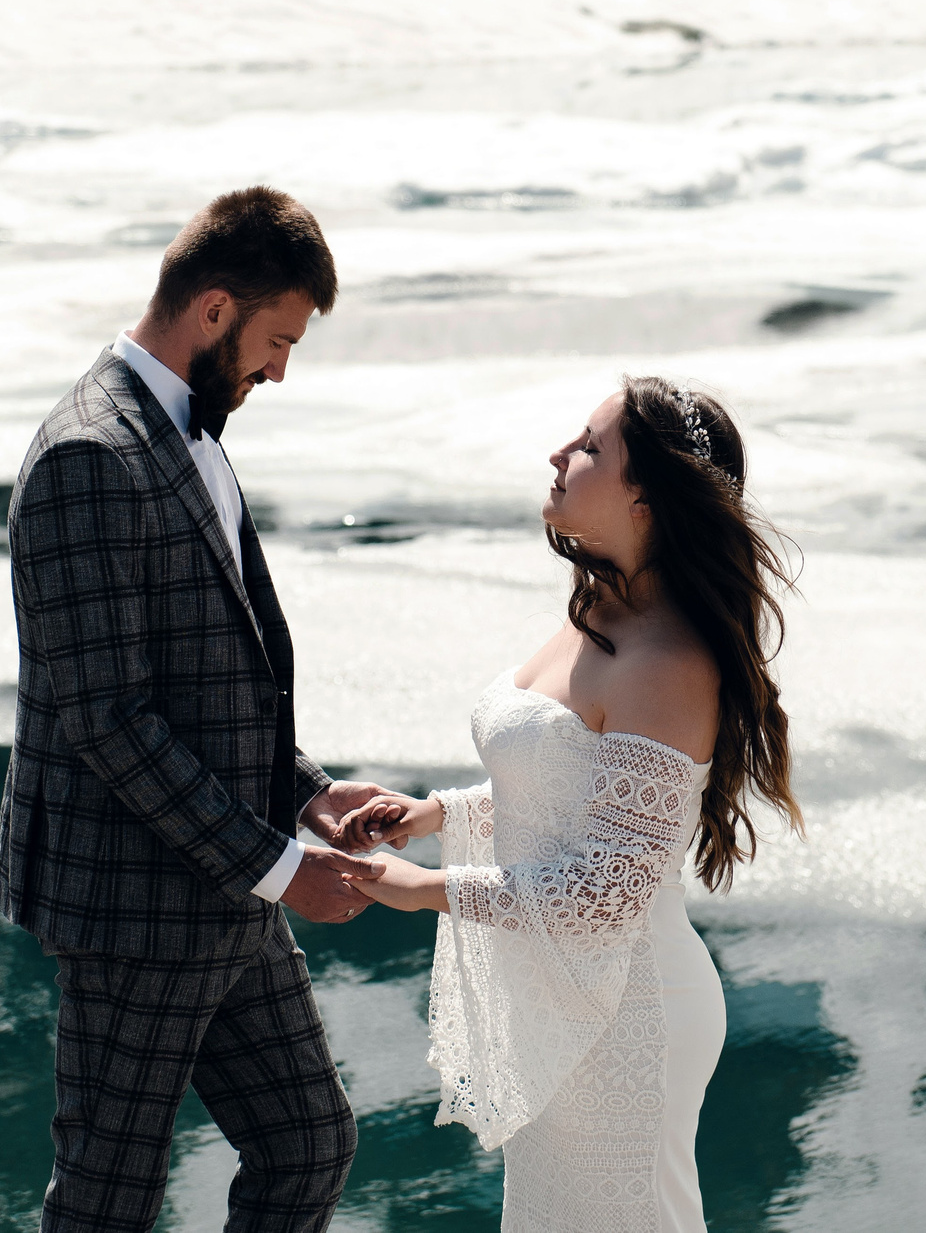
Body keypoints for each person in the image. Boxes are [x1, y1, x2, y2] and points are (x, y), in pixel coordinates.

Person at [0, 185, 407, 1233]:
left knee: (307, 1143)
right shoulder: (88, 455)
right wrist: (282, 870)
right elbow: (109, 719)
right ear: (215, 309)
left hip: (227, 892)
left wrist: (307, 798)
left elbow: (221, 677)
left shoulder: (193, 431)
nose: (279, 369)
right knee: (105, 1203)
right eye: (276, 340)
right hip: (135, 909)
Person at [342, 378, 801, 1233]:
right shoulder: (598, 606)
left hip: (631, 1013)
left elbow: (605, 893)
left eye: (590, 446)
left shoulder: (667, 658)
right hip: (565, 1004)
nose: (560, 455)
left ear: (649, 495)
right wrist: (437, 813)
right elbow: (562, 784)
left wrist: (423, 887)